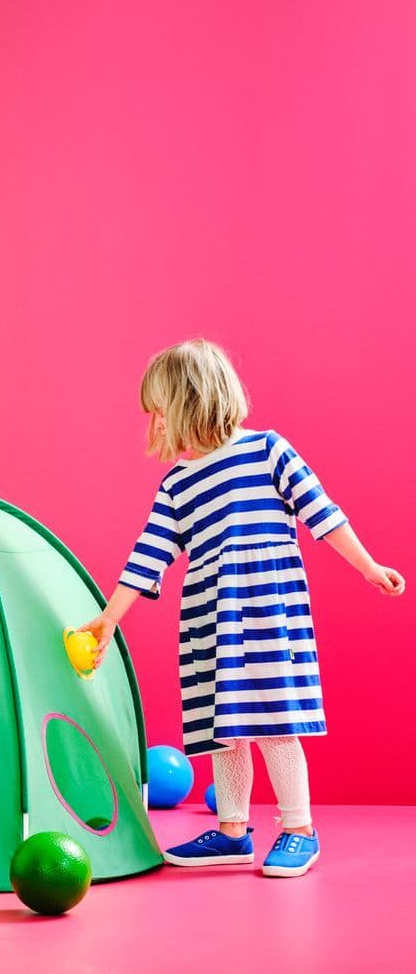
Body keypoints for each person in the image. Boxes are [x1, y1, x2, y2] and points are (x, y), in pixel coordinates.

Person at [80, 339, 405, 878]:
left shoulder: (269, 452)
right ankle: (233, 831)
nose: (154, 422)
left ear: (188, 402)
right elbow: (150, 552)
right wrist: (110, 615)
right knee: (223, 726)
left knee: (276, 721)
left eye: (158, 409)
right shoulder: (179, 483)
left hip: (268, 612)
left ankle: (298, 828)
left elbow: (322, 513)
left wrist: (368, 567)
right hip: (211, 617)